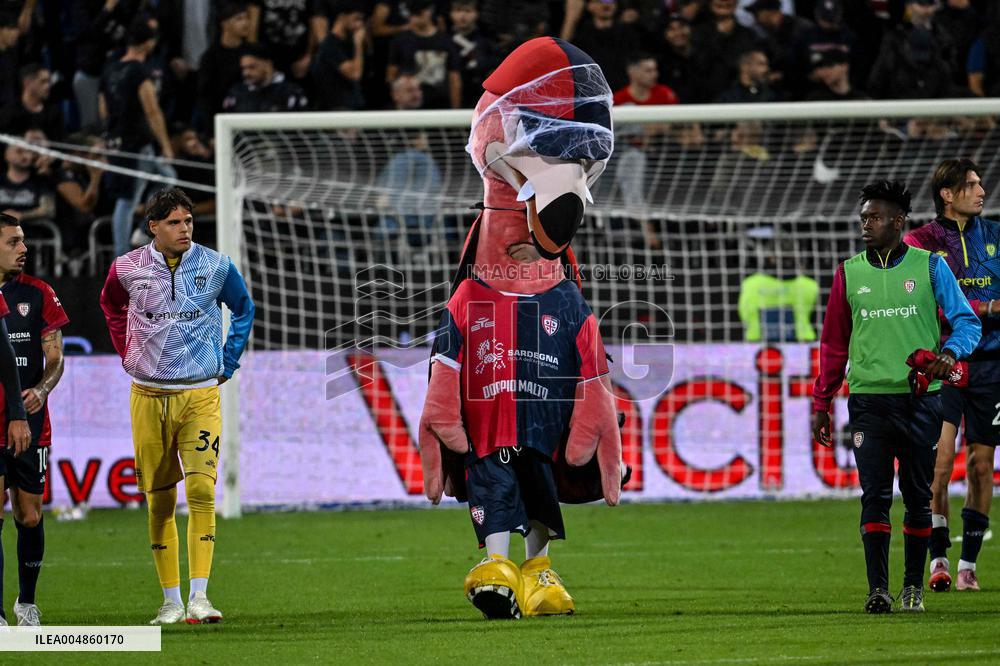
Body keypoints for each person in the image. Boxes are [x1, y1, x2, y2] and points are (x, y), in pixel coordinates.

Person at [812, 180, 980, 613]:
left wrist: (949, 352)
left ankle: (912, 589)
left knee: (918, 495)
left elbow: (968, 322)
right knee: (875, 497)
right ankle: (877, 591)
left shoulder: (929, 267)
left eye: (874, 217)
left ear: (898, 222)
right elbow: (833, 345)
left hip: (922, 399)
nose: (865, 224)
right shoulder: (849, 273)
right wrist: (821, 402)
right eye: (863, 217)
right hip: (869, 402)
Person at [99, 188, 255, 625]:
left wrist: (228, 359)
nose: (185, 228)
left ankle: (200, 597)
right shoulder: (127, 268)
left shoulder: (216, 265)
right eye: (174, 222)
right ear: (153, 226)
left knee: (203, 490)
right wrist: (125, 349)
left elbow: (243, 309)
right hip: (148, 395)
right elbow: (110, 305)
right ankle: (170, 601)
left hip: (200, 393)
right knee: (159, 501)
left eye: (188, 221)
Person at [904, 159, 1000, 592]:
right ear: (947, 193)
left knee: (981, 466)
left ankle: (968, 566)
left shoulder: (996, 236)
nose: (981, 191)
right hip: (945, 363)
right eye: (972, 185)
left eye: (981, 184)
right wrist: (988, 309)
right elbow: (931, 305)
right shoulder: (920, 243)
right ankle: (938, 559)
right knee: (940, 464)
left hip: (992, 366)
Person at [0, 214, 69, 627]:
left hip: (31, 423)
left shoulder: (39, 293)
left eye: (23, 240)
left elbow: (56, 357)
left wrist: (41, 390)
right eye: (12, 242)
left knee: (29, 515)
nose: (23, 248)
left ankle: (27, 602)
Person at [99, 19, 176, 259]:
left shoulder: (110, 68)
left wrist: (111, 133)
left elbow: (102, 108)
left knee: (165, 179)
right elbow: (152, 110)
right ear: (148, 43)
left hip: (117, 140)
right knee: (128, 199)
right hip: (136, 142)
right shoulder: (139, 71)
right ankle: (123, 255)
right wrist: (165, 144)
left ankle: (141, 233)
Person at [386, 0, 461, 109]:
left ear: (429, 12)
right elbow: (391, 76)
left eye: (418, 13)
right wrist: (397, 103)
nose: (415, 18)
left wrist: (455, 111)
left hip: (440, 105)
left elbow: (454, 79)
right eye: (412, 14)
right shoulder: (400, 40)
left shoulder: (446, 41)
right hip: (409, 106)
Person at [196, 1, 251, 131]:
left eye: (247, 18)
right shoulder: (210, 58)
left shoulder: (252, 53)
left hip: (247, 119)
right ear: (225, 24)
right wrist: (211, 131)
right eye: (239, 19)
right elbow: (205, 98)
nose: (246, 23)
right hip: (221, 121)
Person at [221, 44, 309, 114]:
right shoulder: (236, 93)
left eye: (252, 67)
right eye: (244, 68)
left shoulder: (291, 92)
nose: (246, 73)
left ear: (268, 65)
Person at [309, 2, 366, 111]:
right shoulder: (329, 45)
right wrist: (358, 44)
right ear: (342, 17)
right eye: (356, 19)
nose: (359, 24)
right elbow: (354, 74)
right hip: (336, 110)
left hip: (352, 106)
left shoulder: (350, 42)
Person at [0, 64, 63, 141]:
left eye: (49, 81)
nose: (48, 86)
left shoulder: (53, 112)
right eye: (43, 82)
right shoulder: (9, 113)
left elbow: (60, 145)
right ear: (27, 83)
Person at [0, 137, 54, 224]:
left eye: (28, 152)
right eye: (19, 151)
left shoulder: (41, 180)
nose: (26, 156)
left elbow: (49, 210)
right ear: (6, 155)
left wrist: (22, 215)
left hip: (32, 234)